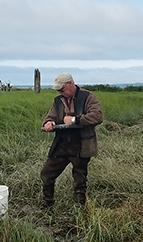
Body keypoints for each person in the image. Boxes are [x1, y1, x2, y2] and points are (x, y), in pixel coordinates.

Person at [40, 72, 103, 208]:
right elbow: (50, 116)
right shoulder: (58, 101)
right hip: (62, 144)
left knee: (80, 179)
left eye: (61, 89)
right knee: (46, 174)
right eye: (58, 90)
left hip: (82, 144)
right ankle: (48, 203)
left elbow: (97, 116)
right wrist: (49, 122)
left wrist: (75, 120)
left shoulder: (87, 97)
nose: (60, 92)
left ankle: (79, 207)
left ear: (70, 83)